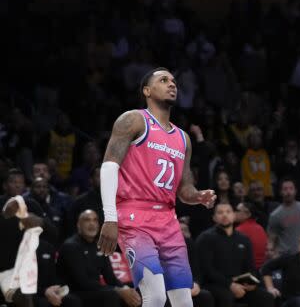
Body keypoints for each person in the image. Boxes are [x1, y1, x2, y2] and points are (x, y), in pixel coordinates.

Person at [97, 68, 217, 307]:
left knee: (184, 300)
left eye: (174, 81)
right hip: (133, 216)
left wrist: (198, 196)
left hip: (168, 220)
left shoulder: (183, 138)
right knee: (156, 296)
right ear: (147, 91)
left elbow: (184, 189)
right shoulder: (133, 120)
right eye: (164, 80)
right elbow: (109, 167)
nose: (172, 84)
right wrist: (110, 218)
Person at [58, 210, 141, 307]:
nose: (92, 224)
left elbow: (111, 279)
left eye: (95, 220)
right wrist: (118, 290)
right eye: (87, 220)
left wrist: (126, 288)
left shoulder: (99, 246)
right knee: (112, 295)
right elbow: (82, 282)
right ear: (78, 225)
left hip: (94, 290)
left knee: (136, 289)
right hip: (74, 292)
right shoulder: (71, 246)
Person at [196, 202, 273, 307]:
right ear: (214, 218)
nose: (224, 215)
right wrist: (230, 285)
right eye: (220, 212)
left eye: (228, 212)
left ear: (234, 215)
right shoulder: (206, 238)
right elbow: (207, 270)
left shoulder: (244, 239)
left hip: (240, 284)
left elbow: (250, 267)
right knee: (226, 296)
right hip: (215, 284)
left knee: (266, 297)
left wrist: (252, 283)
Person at [268, 178, 300, 257]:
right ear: (281, 192)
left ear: (295, 191)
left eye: (291, 189)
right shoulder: (275, 215)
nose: (288, 192)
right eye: (285, 189)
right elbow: (271, 239)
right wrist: (273, 254)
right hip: (285, 257)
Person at [236, 201, 268, 270]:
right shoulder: (260, 228)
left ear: (247, 214)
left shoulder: (239, 230)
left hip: (247, 271)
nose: (234, 213)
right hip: (261, 270)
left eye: (237, 211)